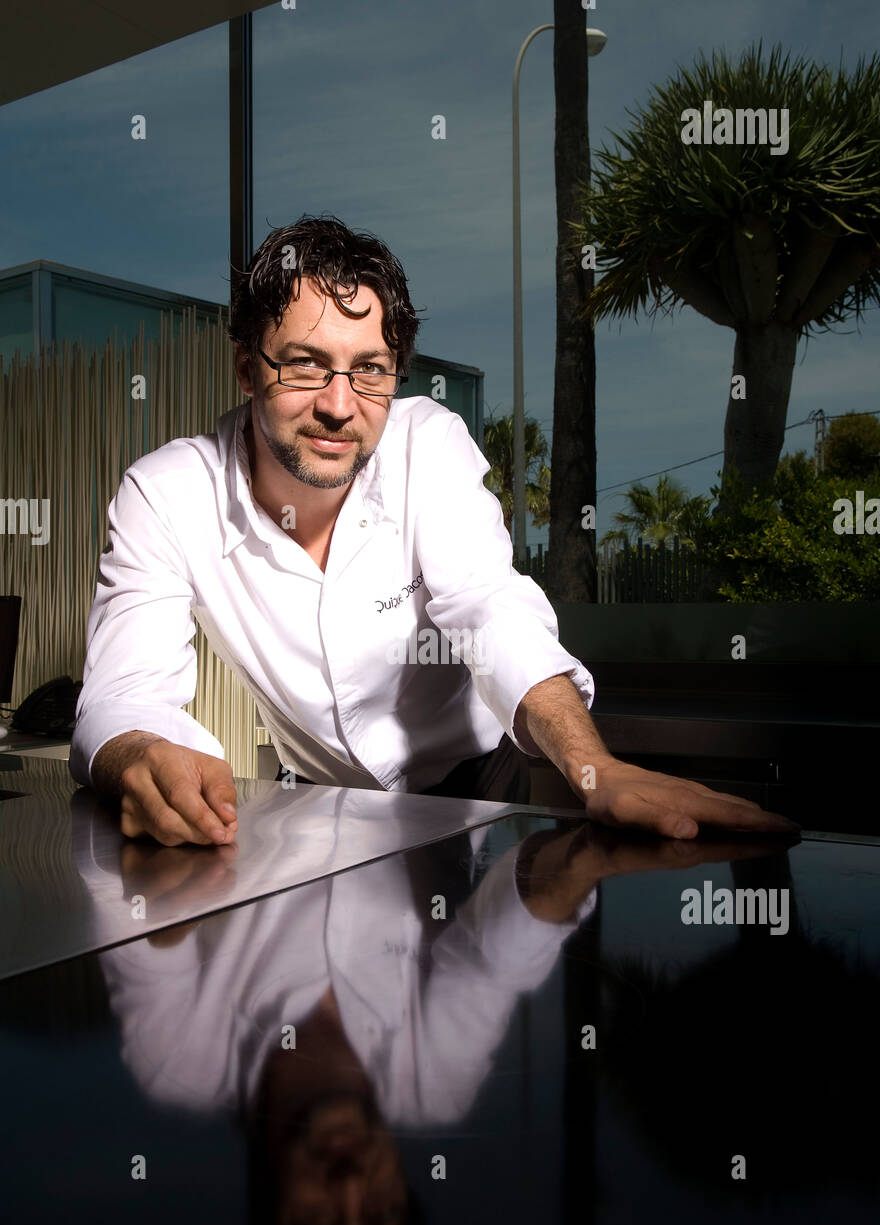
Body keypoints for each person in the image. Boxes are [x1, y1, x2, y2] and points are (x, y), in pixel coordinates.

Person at [69, 214, 797, 848]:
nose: (338, 405)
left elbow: (488, 608)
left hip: (481, 787)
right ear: (246, 369)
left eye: (371, 371)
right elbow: (122, 694)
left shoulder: (430, 445)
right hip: (325, 810)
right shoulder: (165, 494)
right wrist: (141, 758)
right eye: (305, 365)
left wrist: (593, 768)